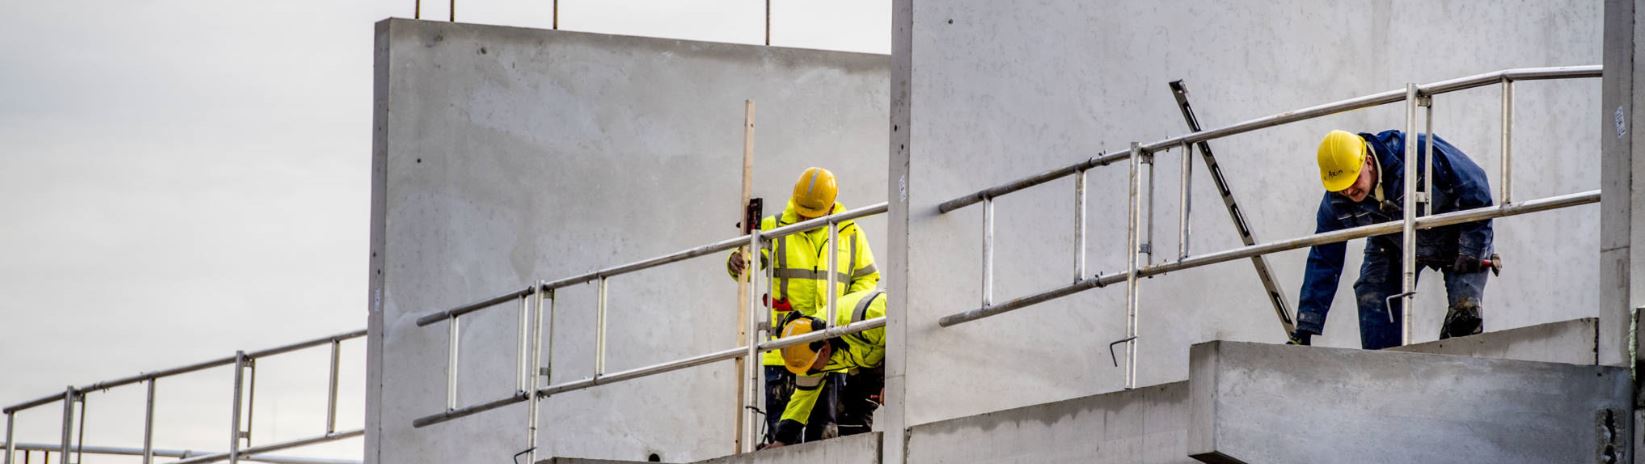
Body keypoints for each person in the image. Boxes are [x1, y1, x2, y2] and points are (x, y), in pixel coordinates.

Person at [1291, 130, 1493, 350]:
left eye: (1354, 180)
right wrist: (1305, 327)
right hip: (1393, 243)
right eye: (1341, 188)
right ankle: (1386, 371)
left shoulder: (1416, 152)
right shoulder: (1336, 202)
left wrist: (1472, 249)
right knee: (1373, 295)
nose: (1348, 190)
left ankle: (1453, 374)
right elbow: (1324, 259)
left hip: (1458, 235)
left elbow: (1476, 186)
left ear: (1368, 162)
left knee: (1465, 317)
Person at [725, 167, 880, 445]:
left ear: (832, 205)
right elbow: (749, 264)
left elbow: (867, 280)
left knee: (824, 439)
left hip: (829, 348)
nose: (805, 218)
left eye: (812, 214)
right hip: (784, 349)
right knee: (783, 436)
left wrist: (839, 317)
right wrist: (738, 260)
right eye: (802, 212)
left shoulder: (849, 232)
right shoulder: (776, 227)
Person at [765, 289, 887, 449]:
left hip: (909, 346)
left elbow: (901, 335)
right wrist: (782, 440)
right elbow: (802, 398)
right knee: (851, 407)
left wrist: (889, 379)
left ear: (824, 350)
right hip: (871, 357)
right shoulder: (810, 343)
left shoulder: (869, 317)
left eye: (810, 367)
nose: (808, 372)